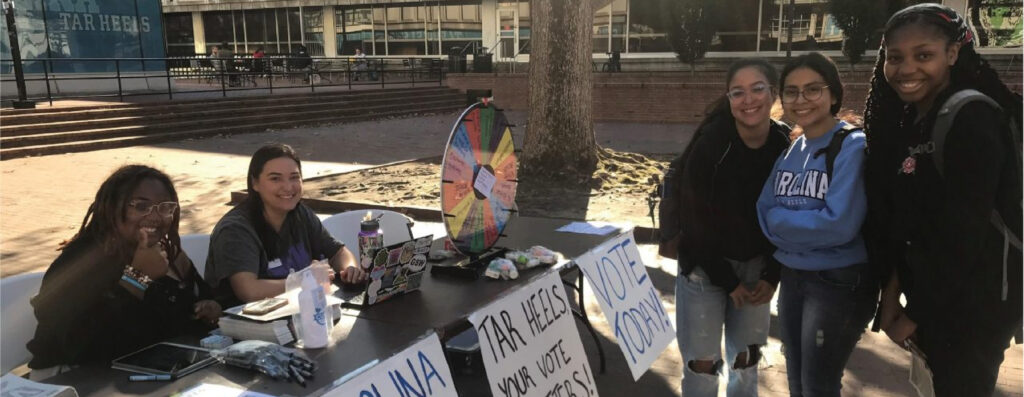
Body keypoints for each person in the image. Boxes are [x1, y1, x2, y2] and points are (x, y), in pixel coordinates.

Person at [863, 4, 1022, 396]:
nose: (906, 69)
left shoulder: (971, 117)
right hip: (938, 304)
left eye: (923, 55)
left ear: (952, 54)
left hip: (974, 308)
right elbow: (911, 224)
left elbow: (962, 233)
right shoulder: (919, 119)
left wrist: (914, 315)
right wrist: (891, 292)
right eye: (895, 57)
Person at [755, 52, 877, 397]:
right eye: (791, 92)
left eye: (812, 90)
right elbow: (764, 209)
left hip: (835, 283)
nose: (800, 99)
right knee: (796, 380)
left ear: (833, 94)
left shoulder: (852, 145)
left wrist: (785, 225)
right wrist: (805, 227)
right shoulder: (793, 148)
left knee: (818, 386)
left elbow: (839, 225)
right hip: (793, 278)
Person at [26, 165, 220, 380]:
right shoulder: (81, 261)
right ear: (111, 207)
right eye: (141, 206)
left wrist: (210, 311)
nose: (156, 217)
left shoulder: (170, 255)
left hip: (148, 371)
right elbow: (86, 345)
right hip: (72, 378)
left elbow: (196, 306)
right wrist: (138, 277)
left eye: (166, 207)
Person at [672, 59, 790, 396]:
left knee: (746, 360)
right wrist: (728, 280)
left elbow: (790, 216)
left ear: (773, 93)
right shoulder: (712, 144)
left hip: (757, 268)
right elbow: (693, 219)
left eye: (757, 89)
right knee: (702, 365)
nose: (748, 100)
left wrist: (772, 276)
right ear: (728, 98)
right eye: (737, 93)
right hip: (705, 269)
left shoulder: (784, 146)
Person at [206, 143, 366, 307]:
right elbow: (248, 291)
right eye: (275, 178)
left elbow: (338, 252)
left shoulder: (300, 213)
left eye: (294, 177)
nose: (288, 187)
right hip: (246, 325)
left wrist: (350, 269)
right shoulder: (235, 229)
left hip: (303, 314)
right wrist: (304, 280)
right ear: (255, 183)